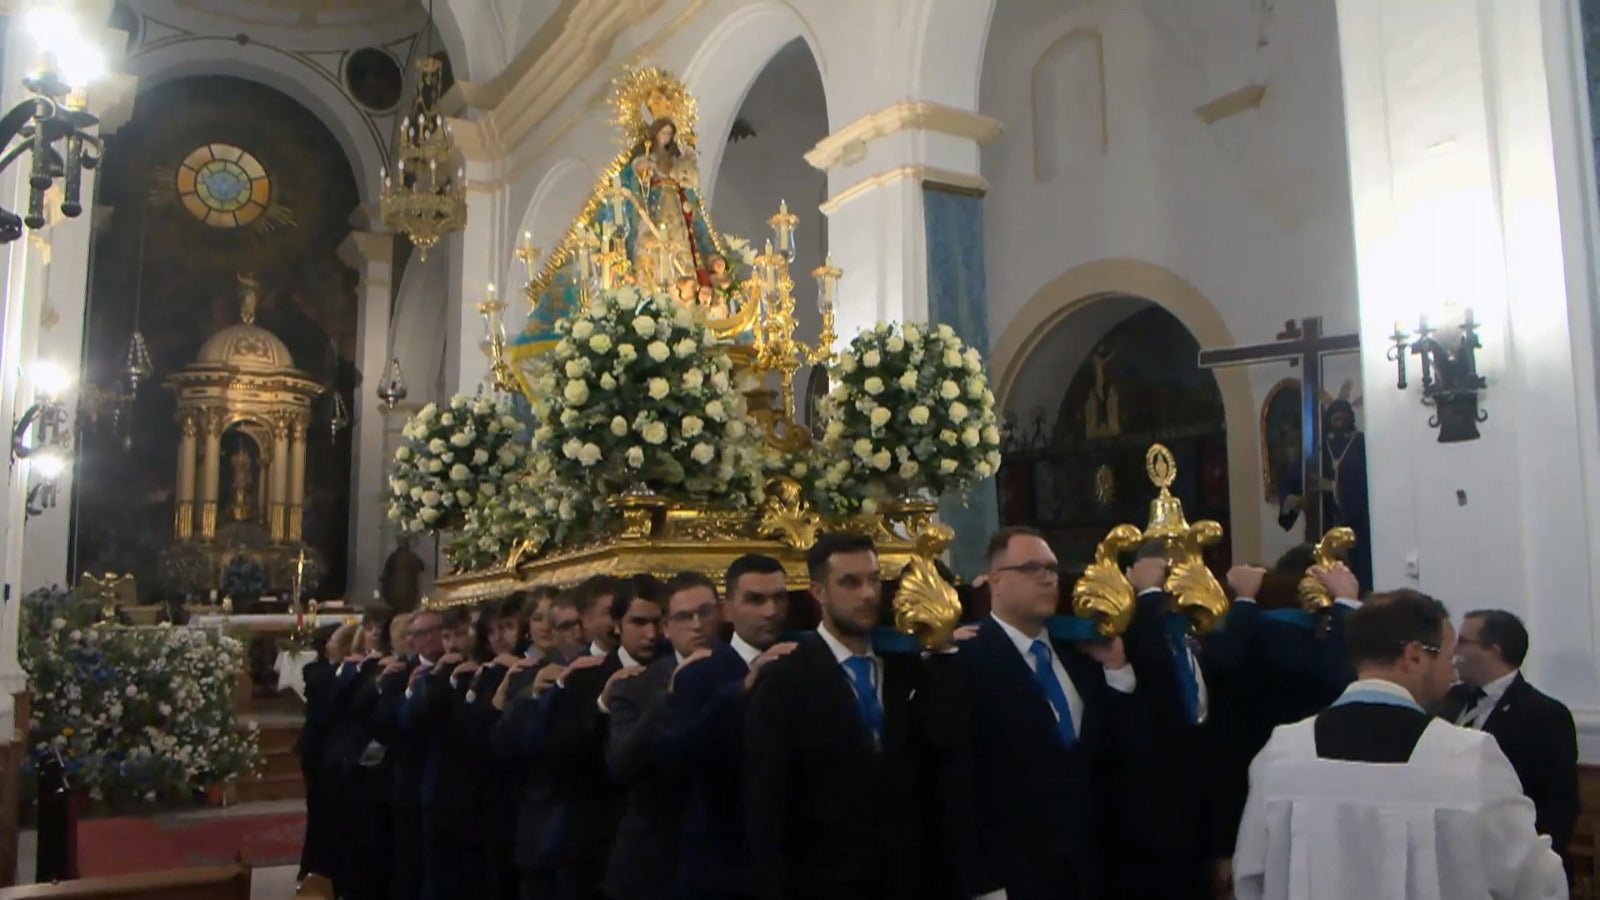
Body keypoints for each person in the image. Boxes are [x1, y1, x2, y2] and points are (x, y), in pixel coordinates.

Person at [1233, 590, 1567, 900]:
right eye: (1447, 659)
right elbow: (1534, 880)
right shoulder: (1468, 756)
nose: (1453, 675)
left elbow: (1250, 878)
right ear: (1414, 657)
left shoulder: (1282, 752)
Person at [939, 526, 1134, 900]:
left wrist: (1116, 670)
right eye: (1032, 568)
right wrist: (982, 884)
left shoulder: (1080, 654)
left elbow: (1111, 752)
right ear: (996, 581)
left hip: (1092, 870)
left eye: (1052, 569)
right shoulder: (965, 661)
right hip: (1016, 874)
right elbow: (960, 783)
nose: (1047, 578)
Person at [743, 533, 933, 900]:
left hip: (908, 879)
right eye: (850, 582)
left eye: (874, 580)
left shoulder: (906, 669)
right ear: (818, 592)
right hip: (822, 882)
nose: (867, 594)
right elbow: (767, 805)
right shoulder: (785, 678)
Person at [659, 554, 793, 900]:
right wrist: (740, 690)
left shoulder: (803, 662)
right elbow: (676, 756)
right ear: (727, 610)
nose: (771, 611)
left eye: (779, 598)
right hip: (722, 867)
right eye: (755, 600)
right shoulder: (699, 673)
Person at [604, 572, 721, 900]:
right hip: (658, 862)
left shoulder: (748, 671)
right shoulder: (636, 684)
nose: (697, 625)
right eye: (684, 617)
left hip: (729, 859)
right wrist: (668, 696)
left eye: (705, 612)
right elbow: (621, 763)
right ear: (668, 627)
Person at [1441, 609, 1579, 870]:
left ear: (1493, 651)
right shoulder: (1448, 700)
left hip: (1511, 856)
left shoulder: (1545, 715)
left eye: (1463, 641)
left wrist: (1537, 864)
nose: (1453, 651)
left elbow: (1560, 801)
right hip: (1451, 850)